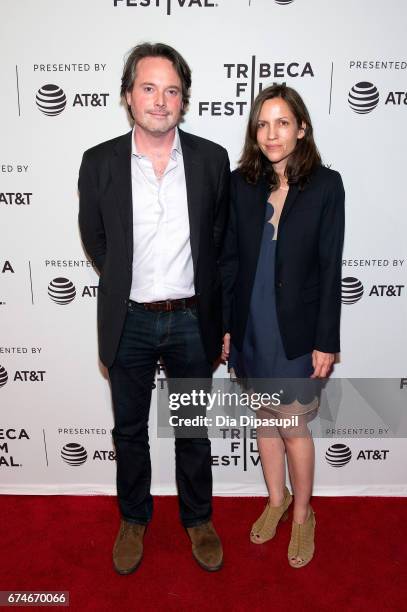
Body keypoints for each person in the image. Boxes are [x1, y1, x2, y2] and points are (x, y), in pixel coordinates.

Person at [78, 42, 230, 574]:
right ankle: (134, 518)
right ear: (128, 96)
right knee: (128, 431)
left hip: (192, 320)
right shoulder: (98, 162)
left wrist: (220, 318)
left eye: (172, 90)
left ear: (183, 100)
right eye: (149, 88)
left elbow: (219, 244)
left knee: (192, 428)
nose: (160, 100)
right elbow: (97, 240)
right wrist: (126, 282)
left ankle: (198, 519)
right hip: (131, 320)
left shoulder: (212, 159)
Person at [221, 84, 345, 568]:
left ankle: (302, 514)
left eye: (282, 122)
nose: (272, 133)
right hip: (251, 326)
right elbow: (230, 260)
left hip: (296, 330)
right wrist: (229, 327)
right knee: (265, 422)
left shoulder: (326, 185)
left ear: (302, 127)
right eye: (263, 123)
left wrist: (326, 340)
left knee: (291, 424)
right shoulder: (241, 183)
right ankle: (276, 499)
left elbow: (330, 265)